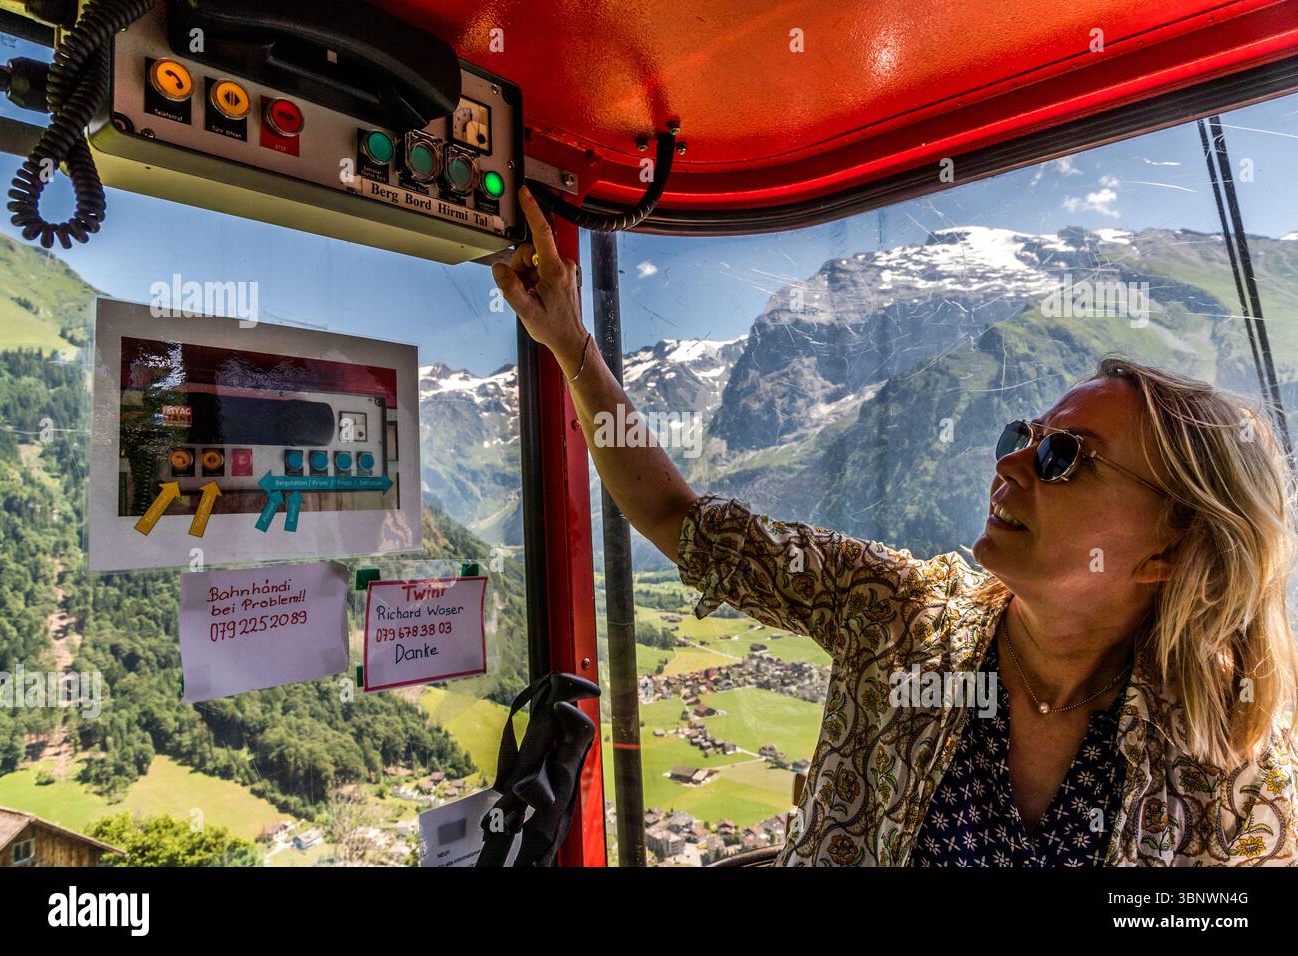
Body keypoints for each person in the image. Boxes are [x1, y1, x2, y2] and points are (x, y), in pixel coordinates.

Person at [491, 185, 1298, 866]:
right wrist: (569, 344)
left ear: (1170, 546)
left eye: (1062, 456)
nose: (1010, 465)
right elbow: (681, 521)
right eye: (1021, 437)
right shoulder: (898, 616)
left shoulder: (1233, 770)